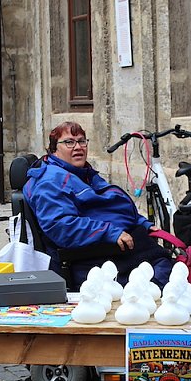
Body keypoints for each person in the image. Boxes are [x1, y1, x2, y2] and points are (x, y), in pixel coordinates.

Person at [24, 121, 173, 289]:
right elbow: (61, 226)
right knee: (165, 273)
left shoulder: (82, 173)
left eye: (82, 141)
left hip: (118, 245)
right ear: (54, 149)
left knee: (169, 266)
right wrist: (109, 232)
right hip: (91, 257)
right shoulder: (50, 182)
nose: (78, 147)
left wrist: (141, 222)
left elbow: (110, 205)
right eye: (69, 142)